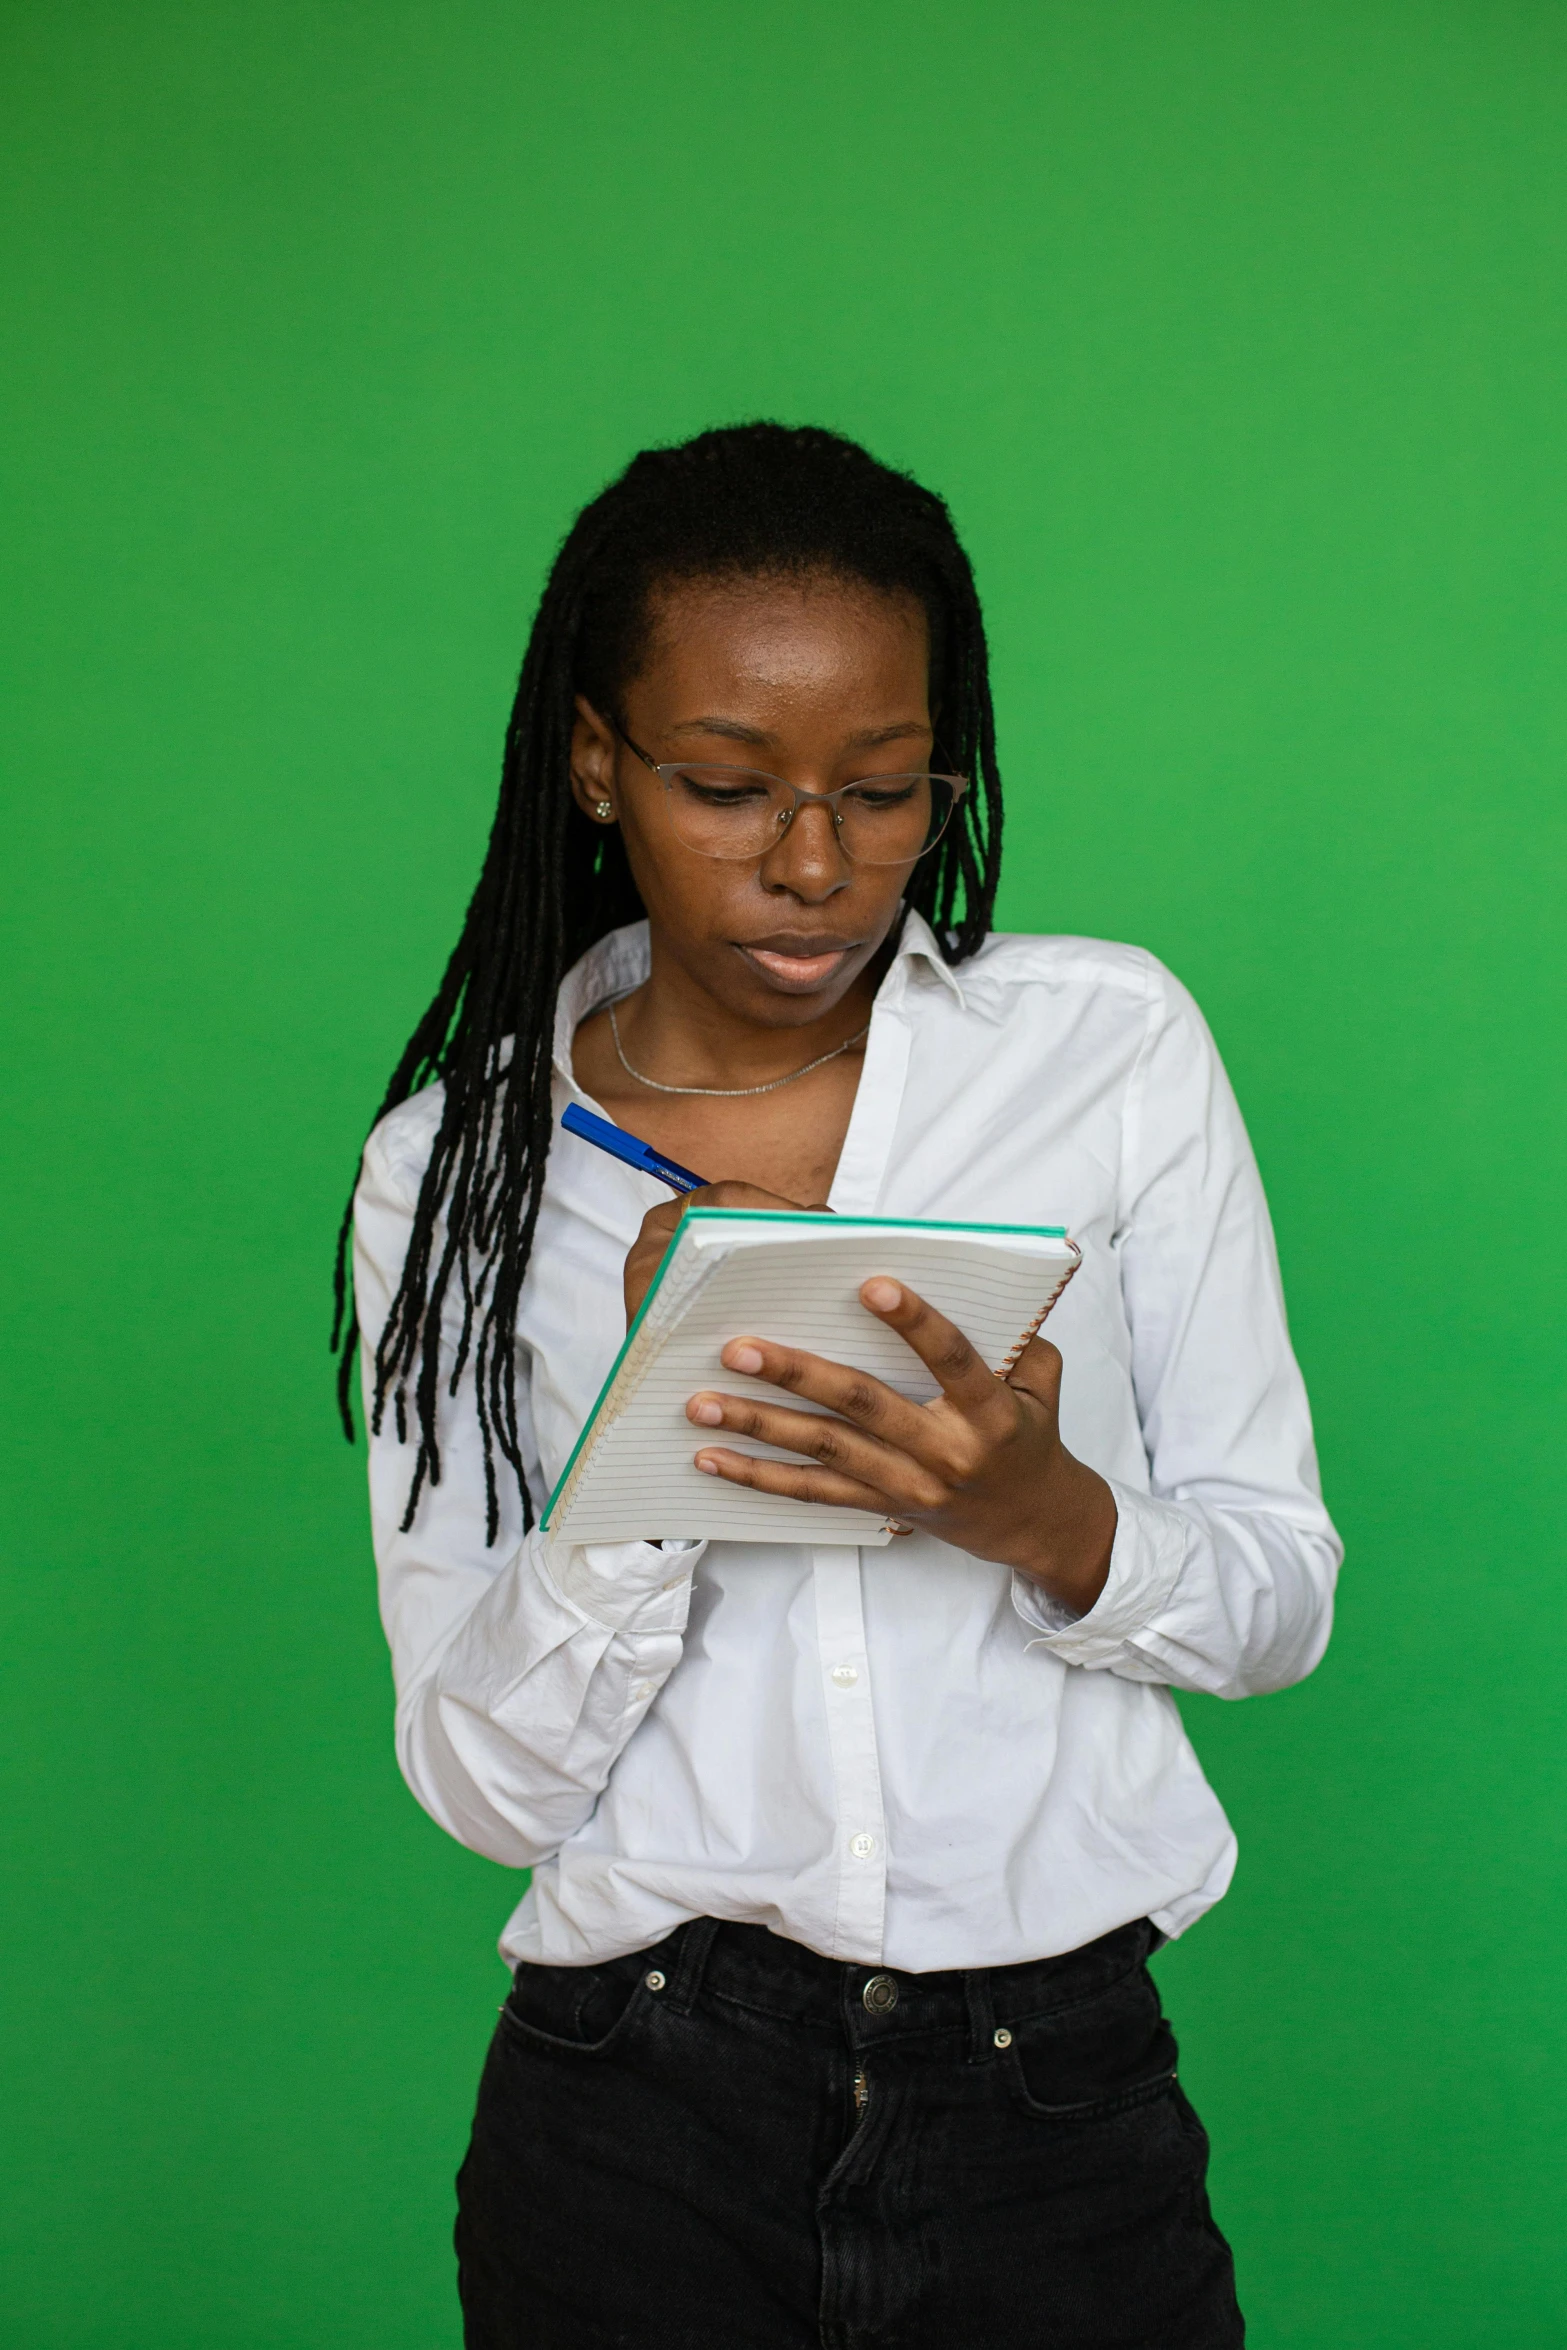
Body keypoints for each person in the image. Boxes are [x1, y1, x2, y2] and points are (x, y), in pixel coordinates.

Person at [339, 423, 1341, 2349]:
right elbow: (475, 1781)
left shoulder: (1105, 1047)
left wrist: (1040, 1514)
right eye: (725, 786)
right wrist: (653, 1453)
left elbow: (1278, 1594)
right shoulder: (452, 1173)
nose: (815, 865)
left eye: (884, 793)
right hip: (634, 2109)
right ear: (593, 759)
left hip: (1058, 2095)